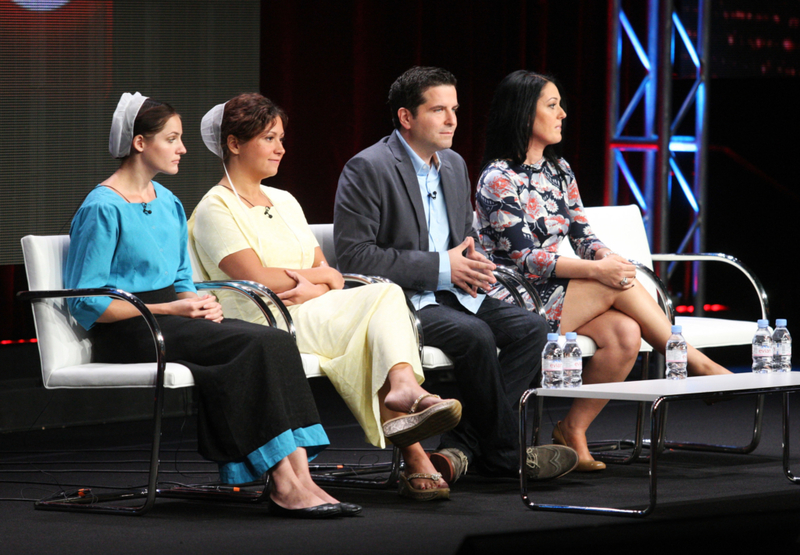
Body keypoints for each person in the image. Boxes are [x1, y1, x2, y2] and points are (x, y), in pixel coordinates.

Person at [64, 92, 359, 518]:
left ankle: (301, 477)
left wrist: (196, 303)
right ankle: (282, 482)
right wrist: (170, 311)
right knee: (253, 347)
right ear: (140, 143)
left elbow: (182, 279)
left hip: (173, 320)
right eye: (171, 138)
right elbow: (88, 303)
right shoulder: (102, 206)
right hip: (128, 330)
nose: (183, 148)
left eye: (181, 138)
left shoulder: (167, 202)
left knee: (272, 340)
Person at [188, 93, 462, 501]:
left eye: (281, 137)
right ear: (233, 144)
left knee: (381, 299)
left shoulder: (285, 200)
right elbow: (256, 278)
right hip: (261, 323)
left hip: (312, 310)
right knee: (380, 302)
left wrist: (316, 283)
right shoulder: (215, 208)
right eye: (268, 138)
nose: (281, 148)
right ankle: (411, 422)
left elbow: (331, 273)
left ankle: (412, 430)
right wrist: (320, 280)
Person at [476, 70, 731, 471]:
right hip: (510, 298)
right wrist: (600, 274)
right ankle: (694, 361)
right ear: (525, 114)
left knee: (625, 333)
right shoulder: (497, 178)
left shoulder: (558, 171)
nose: (563, 113)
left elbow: (583, 236)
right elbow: (527, 259)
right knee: (612, 285)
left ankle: (572, 429)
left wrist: (609, 260)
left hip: (556, 292)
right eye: (552, 105)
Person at [334, 66, 578, 484]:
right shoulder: (368, 167)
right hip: (402, 302)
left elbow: (463, 236)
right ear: (406, 117)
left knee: (532, 328)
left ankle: (464, 446)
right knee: (475, 336)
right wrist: (442, 266)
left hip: (458, 292)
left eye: (455, 110)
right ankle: (506, 455)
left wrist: (473, 259)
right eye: (439, 110)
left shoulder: (452, 165)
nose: (452, 120)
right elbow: (356, 257)